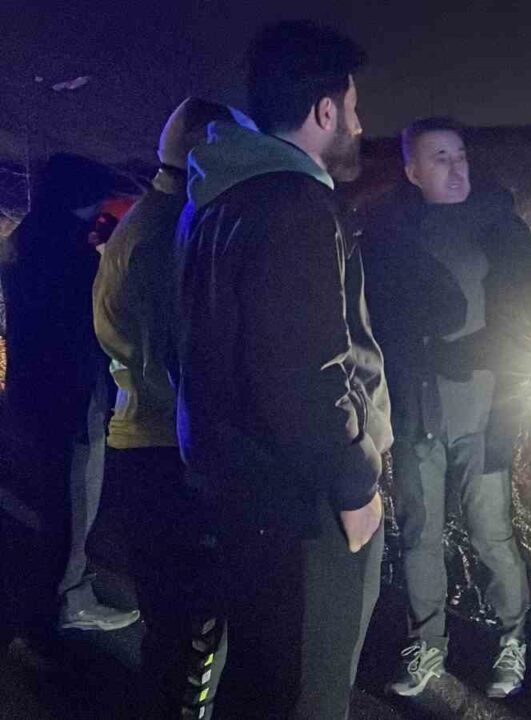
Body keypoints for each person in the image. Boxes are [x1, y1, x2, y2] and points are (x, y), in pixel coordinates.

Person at [175, 21, 388, 720]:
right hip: (302, 504)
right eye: (353, 109)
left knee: (261, 680)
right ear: (324, 112)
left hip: (243, 488)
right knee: (308, 690)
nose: (360, 125)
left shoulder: (217, 200)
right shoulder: (296, 206)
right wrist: (355, 484)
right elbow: (303, 371)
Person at [363, 116, 531, 700]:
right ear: (412, 171)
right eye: (439, 158)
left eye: (460, 155)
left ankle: (513, 639)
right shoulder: (387, 235)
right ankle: (427, 646)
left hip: (485, 415)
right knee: (419, 537)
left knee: (492, 535)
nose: (455, 168)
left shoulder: (498, 225)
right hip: (417, 416)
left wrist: (484, 353)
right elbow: (372, 323)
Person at [93, 97, 245, 718]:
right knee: (189, 627)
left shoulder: (147, 221)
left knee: (170, 624)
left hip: (144, 445)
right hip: (167, 452)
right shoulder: (167, 237)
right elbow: (175, 368)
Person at [0, 152, 140, 646]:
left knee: (48, 501)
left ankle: (50, 591)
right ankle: (67, 599)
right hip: (72, 402)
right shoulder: (75, 260)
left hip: (30, 393)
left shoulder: (26, 240)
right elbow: (98, 327)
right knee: (75, 504)